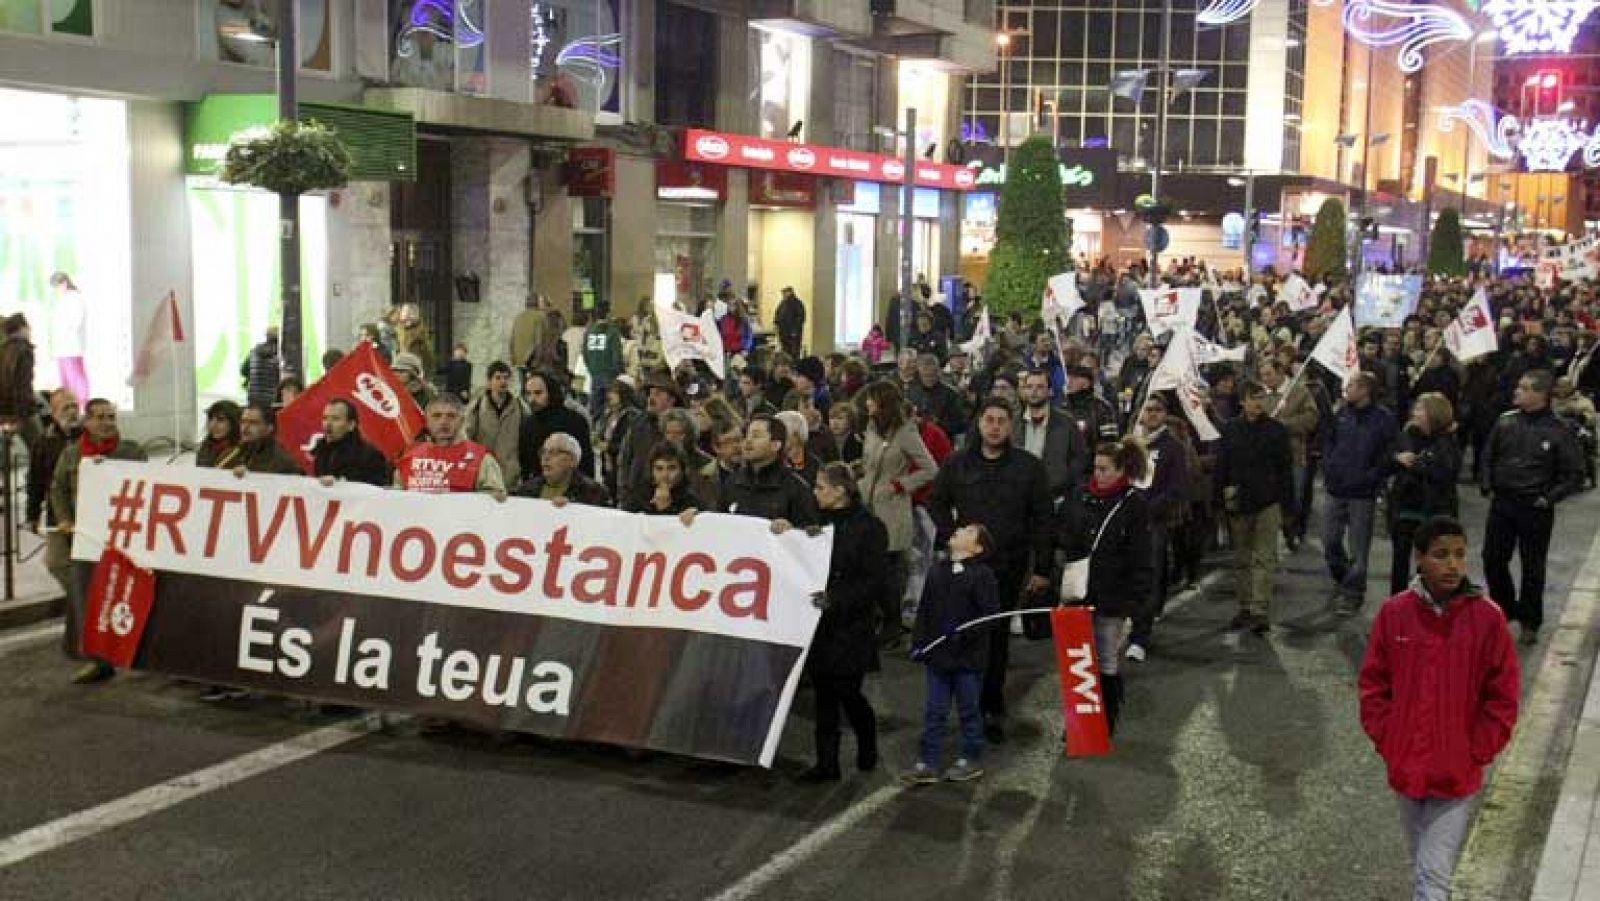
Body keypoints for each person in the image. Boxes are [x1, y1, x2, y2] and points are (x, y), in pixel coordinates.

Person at [1358, 516, 1519, 901]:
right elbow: (1374, 685)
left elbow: (1503, 696)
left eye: (1460, 555)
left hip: (1455, 773)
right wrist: (1390, 740)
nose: (1452, 565)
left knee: (1434, 878)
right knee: (1422, 867)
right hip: (1407, 769)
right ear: (1419, 559)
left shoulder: (1488, 619)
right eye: (1441, 555)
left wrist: (1476, 750)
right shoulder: (1394, 614)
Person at [925, 398, 1053, 743]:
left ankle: (990, 709)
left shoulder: (1029, 467)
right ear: (979, 424)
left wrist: (1042, 567)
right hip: (965, 568)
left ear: (1011, 426)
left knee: (996, 641)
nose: (995, 426)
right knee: (964, 635)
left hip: (1008, 567)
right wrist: (950, 532)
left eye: (1002, 421)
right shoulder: (957, 464)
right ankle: (964, 706)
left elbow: (1043, 518)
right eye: (989, 420)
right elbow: (935, 501)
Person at [1481, 370, 1585, 643]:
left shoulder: (1560, 430)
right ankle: (1503, 608)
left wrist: (1548, 498)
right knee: (1492, 559)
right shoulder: (1505, 422)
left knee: (1532, 566)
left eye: (1524, 388)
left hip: (1535, 508)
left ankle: (1530, 619)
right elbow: (1488, 455)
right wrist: (1487, 484)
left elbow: (1574, 474)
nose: (1517, 392)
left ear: (1540, 394)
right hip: (1503, 503)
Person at [1058, 437, 1153, 735]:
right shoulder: (1080, 495)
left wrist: (1134, 600)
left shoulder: (1134, 504)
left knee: (1106, 657)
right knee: (1078, 659)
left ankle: (1105, 719)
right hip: (1079, 590)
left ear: (1121, 470)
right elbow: (1065, 531)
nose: (1097, 474)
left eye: (1104, 469)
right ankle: (1080, 722)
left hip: (1113, 594)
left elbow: (1141, 554)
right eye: (1095, 468)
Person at [49, 398, 147, 684]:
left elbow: (147, 487)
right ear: (87, 422)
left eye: (111, 417)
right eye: (100, 417)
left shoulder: (131, 452)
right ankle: (98, 659)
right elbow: (57, 489)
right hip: (86, 538)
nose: (106, 423)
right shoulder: (72, 455)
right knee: (86, 596)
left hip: (123, 538)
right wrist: (65, 519)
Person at [802, 463, 887, 782]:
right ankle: (827, 763)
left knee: (847, 691)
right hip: (821, 624)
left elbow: (874, 581)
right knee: (823, 694)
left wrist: (837, 600)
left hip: (851, 625)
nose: (815, 492)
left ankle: (867, 741)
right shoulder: (816, 523)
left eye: (821, 486)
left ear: (840, 491)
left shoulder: (870, 528)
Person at [905, 523, 999, 784]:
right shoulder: (937, 571)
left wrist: (963, 633)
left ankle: (970, 758)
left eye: (968, 531)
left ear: (977, 548)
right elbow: (924, 610)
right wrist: (918, 642)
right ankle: (928, 762)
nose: (958, 529)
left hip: (968, 660)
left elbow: (990, 616)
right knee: (934, 711)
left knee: (969, 710)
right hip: (938, 658)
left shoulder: (983, 576)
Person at [858, 380, 938, 645]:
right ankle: (881, 619)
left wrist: (901, 484)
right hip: (867, 506)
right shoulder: (871, 428)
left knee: (890, 570)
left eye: (872, 399)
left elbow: (930, 468)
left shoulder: (906, 432)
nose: (867, 403)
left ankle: (893, 622)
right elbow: (870, 463)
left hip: (892, 511)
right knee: (871, 568)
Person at [1215, 380, 1293, 634]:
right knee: (1241, 558)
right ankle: (1245, 606)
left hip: (1267, 502)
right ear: (1243, 401)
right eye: (1252, 397)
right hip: (1238, 503)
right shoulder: (1231, 430)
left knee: (1264, 558)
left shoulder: (1277, 431)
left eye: (1261, 397)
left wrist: (1288, 507)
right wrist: (1218, 501)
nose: (1257, 403)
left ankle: (1259, 610)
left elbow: (1285, 470)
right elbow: (1221, 466)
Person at [1322, 372, 1398, 615]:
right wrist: (1329, 466)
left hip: (1362, 492)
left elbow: (1390, 453)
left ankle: (1353, 593)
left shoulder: (1383, 419)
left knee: (1359, 548)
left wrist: (1373, 475)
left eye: (1352, 385)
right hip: (1336, 487)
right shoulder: (1341, 413)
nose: (1347, 390)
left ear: (1365, 390)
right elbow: (1329, 441)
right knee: (1330, 540)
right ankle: (1344, 576)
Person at [1127, 395, 1188, 660]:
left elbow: (1177, 487)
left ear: (1165, 414)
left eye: (1157, 410)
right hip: (1127, 519)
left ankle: (1141, 634)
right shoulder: (1130, 442)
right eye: (1147, 410)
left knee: (1150, 574)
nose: (1151, 414)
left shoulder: (1172, 446)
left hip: (1153, 521)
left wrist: (1151, 508)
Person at [1387, 393, 1461, 596]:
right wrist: (1397, 458)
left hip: (1433, 512)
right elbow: (1388, 458)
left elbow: (1445, 473)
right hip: (1405, 508)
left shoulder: (1446, 442)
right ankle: (1397, 607)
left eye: (1421, 409)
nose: (1415, 413)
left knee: (1431, 565)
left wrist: (1417, 463)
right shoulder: (1408, 435)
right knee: (1399, 562)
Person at [396, 395, 506, 497]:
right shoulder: (409, 457)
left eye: (451, 416)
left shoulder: (481, 458)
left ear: (462, 421)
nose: (443, 422)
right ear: (427, 422)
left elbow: (494, 504)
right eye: (436, 416)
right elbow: (396, 500)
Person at [720, 414, 818, 526]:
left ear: (775, 445)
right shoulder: (732, 483)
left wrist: (791, 530)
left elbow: (810, 535)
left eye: (756, 436)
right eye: (746, 435)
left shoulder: (796, 488)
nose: (748, 441)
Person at [1261, 357, 1319, 546]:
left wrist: (1284, 425)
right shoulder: (1261, 396)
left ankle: (1294, 528)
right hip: (1268, 459)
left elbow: (1311, 419)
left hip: (1294, 454)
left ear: (1280, 372)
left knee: (1295, 496)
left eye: (1269, 374)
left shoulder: (1300, 393)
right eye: (1262, 375)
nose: (1265, 379)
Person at [26, 391, 78, 594]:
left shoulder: (88, 436)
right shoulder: (43, 442)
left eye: (75, 406)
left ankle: (82, 603)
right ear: (54, 412)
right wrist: (32, 515)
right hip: (57, 514)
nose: (73, 411)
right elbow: (36, 482)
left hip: (87, 513)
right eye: (66, 408)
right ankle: (79, 597)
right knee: (55, 562)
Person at [1013, 367, 1090, 501]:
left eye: (1040, 387)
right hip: (1019, 496)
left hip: (1056, 497)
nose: (1034, 391)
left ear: (1050, 391)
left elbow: (1080, 458)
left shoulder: (1067, 423)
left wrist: (1065, 484)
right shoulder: (1013, 423)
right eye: (1029, 387)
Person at [464, 361, 530, 487]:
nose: (503, 381)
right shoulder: (477, 407)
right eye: (498, 378)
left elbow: (527, 436)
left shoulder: (520, 407)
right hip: (484, 470)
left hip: (511, 473)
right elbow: (467, 436)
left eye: (506, 378)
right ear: (489, 382)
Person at [518, 370, 594, 481]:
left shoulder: (574, 421)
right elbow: (525, 463)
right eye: (528, 393)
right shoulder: (528, 424)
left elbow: (586, 462)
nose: (532, 399)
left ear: (550, 393)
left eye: (538, 393)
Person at [514, 432, 611, 506]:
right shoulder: (526, 489)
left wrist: (572, 507)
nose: (546, 457)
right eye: (543, 452)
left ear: (573, 460)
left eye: (554, 452)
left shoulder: (594, 493)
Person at [311, 399, 392, 487]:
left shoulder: (369, 454)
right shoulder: (320, 450)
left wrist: (340, 483)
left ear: (351, 425)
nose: (328, 424)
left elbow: (378, 490)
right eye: (325, 418)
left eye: (335, 419)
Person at [626, 443, 703, 515]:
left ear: (682, 471)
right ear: (651, 471)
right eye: (659, 468)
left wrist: (696, 516)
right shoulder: (638, 498)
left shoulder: (693, 502)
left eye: (672, 468)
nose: (665, 475)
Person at [49, 272, 89, 407]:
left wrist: (64, 327)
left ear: (64, 283)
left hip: (71, 346)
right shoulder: (62, 299)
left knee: (76, 378)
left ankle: (81, 404)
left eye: (57, 286)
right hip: (62, 348)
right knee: (65, 379)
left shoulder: (75, 298)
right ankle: (67, 404)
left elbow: (76, 321)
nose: (56, 290)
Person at [0, 313, 39, 447]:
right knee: (38, 446)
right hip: (21, 412)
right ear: (22, 328)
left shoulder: (4, 350)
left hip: (4, 410)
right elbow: (22, 387)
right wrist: (22, 415)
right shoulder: (24, 351)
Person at [232, 404, 304, 475]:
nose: (245, 427)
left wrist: (250, 475)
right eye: (243, 422)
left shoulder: (282, 461)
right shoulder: (235, 452)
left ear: (269, 428)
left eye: (253, 423)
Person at [907, 354, 965, 440]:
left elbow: (960, 425)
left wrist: (934, 423)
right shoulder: (911, 391)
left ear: (939, 372)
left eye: (933, 375)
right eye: (926, 376)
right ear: (919, 373)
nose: (930, 379)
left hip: (942, 440)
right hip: (917, 440)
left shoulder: (951, 394)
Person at [582, 311, 625, 422]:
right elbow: (617, 356)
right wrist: (618, 372)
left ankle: (595, 430)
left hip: (595, 374)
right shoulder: (613, 332)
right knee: (610, 409)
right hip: (610, 375)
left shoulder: (589, 331)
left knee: (595, 409)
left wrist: (592, 369)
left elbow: (585, 354)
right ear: (608, 314)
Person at [242, 324, 282, 410]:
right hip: (271, 399)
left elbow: (243, 370)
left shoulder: (254, 352)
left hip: (253, 397)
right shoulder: (280, 355)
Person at [195, 400, 243, 469]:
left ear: (234, 424)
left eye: (220, 420)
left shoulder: (242, 450)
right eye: (211, 419)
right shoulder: (207, 446)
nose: (213, 425)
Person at [775, 286, 806, 358]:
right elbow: (777, 313)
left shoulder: (797, 303)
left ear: (790, 292)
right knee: (785, 352)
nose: (783, 295)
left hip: (793, 334)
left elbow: (800, 318)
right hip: (783, 333)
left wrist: (794, 331)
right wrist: (776, 323)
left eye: (785, 293)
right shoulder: (782, 303)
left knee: (793, 352)